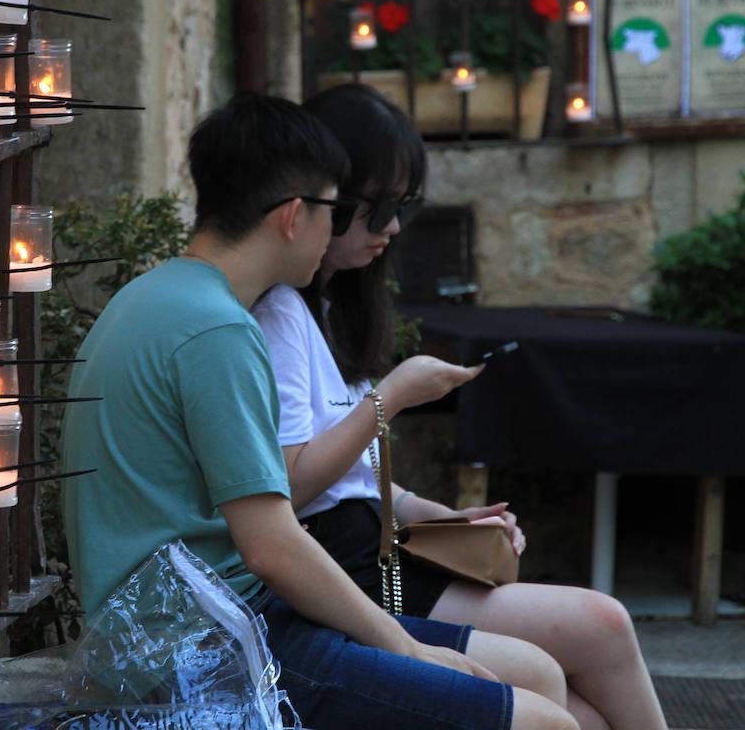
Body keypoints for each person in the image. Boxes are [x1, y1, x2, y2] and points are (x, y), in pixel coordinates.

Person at [61, 93, 577, 730]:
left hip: (204, 625)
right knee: (543, 721)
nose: (339, 231)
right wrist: (407, 649)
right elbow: (271, 547)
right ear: (293, 216)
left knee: (534, 672)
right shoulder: (217, 330)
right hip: (202, 649)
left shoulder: (158, 295)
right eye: (334, 212)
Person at [251, 84, 668, 730]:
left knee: (585, 707)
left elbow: (355, 475)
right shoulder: (279, 312)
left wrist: (445, 520)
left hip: (377, 549)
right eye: (381, 207)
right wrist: (392, 397)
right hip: (349, 573)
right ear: (320, 199)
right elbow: (291, 481)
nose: (391, 228)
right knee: (600, 629)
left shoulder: (331, 306)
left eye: (405, 208)